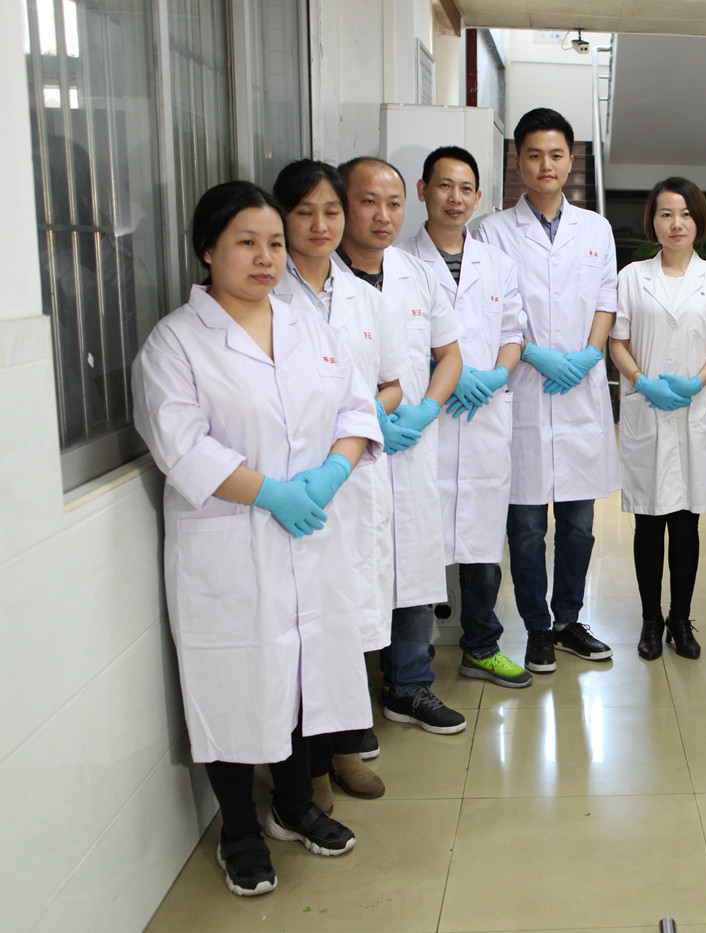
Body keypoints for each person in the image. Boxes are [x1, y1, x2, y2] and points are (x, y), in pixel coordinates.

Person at [132, 181, 378, 896]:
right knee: (235, 681)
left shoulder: (309, 328)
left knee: (302, 675)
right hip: (233, 542)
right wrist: (272, 493)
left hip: (311, 535)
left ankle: (294, 805)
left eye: (273, 242)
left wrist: (331, 474)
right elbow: (182, 445)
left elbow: (356, 409)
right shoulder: (176, 342)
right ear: (208, 250)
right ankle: (238, 827)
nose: (266, 256)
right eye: (246, 242)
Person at [271, 159, 409, 809]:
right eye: (305, 212)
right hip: (299, 483)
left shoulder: (366, 298)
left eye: (330, 211)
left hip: (353, 477)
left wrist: (361, 417)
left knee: (351, 622)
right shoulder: (269, 297)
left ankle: (348, 747)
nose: (320, 225)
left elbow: (393, 381)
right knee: (308, 629)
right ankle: (311, 771)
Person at [476, 107, 622, 673]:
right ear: (518, 161)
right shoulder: (491, 230)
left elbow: (606, 298)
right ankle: (537, 626)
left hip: (581, 388)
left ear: (571, 161)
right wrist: (535, 353)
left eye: (556, 154)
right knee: (527, 525)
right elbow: (493, 310)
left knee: (579, 524)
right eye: (534, 155)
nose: (546, 165)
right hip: (523, 386)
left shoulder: (596, 228)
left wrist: (590, 353)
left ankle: (568, 621)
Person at [337, 156, 467, 733]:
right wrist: (370, 421)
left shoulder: (417, 273)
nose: (383, 216)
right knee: (349, 569)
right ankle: (345, 709)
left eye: (393, 204)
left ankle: (410, 686)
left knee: (412, 563)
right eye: (368, 202)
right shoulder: (314, 282)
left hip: (411, 445)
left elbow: (450, 354)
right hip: (346, 455)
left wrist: (427, 407)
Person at [405, 145, 531, 688]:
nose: (454, 198)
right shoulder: (400, 264)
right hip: (428, 417)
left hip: (483, 416)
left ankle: (481, 647)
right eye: (444, 186)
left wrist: (496, 376)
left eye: (465, 189)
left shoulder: (498, 265)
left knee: (482, 538)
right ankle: (408, 665)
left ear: (478, 197)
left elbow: (513, 332)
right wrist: (449, 374)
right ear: (423, 191)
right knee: (418, 543)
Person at [609, 178, 706, 659]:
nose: (676, 223)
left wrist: (697, 382)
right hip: (647, 408)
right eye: (666, 213)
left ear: (699, 221)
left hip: (694, 410)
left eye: (686, 214)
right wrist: (641, 380)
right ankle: (650, 620)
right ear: (652, 220)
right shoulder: (632, 277)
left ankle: (680, 620)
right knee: (649, 524)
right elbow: (617, 342)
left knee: (687, 524)